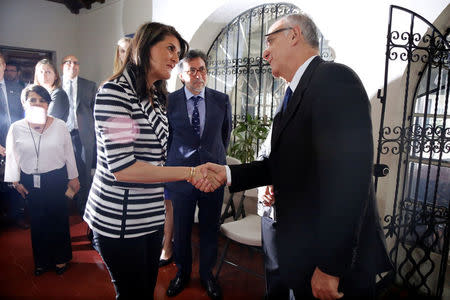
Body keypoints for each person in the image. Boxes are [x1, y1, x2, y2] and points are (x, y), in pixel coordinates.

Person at [198, 13, 393, 300]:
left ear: (294, 35)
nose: (264, 52)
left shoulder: (335, 79)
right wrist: (228, 174)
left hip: (330, 260)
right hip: (301, 250)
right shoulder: (291, 93)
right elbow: (281, 164)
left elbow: (350, 182)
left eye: (270, 41)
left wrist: (331, 266)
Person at [82, 22, 218, 300]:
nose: (175, 57)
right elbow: (123, 168)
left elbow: (157, 154)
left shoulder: (155, 94)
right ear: (144, 48)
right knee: (132, 294)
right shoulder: (115, 93)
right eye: (170, 48)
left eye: (177, 52)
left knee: (145, 292)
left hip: (151, 216)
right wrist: (191, 172)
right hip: (120, 221)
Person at [165, 49, 232, 300]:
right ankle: (182, 273)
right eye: (191, 70)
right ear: (182, 75)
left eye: (201, 69)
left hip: (212, 177)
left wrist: (212, 164)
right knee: (181, 229)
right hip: (181, 177)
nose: (198, 74)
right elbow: (168, 139)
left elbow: (223, 138)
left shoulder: (221, 100)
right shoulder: (169, 101)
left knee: (209, 228)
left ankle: (207, 274)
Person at [4, 84, 80, 276]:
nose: (38, 103)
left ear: (48, 104)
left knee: (58, 219)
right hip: (30, 180)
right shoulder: (16, 128)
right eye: (33, 100)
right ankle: (42, 260)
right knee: (38, 221)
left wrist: (74, 177)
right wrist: (15, 181)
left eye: (42, 100)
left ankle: (61, 258)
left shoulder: (60, 126)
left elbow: (69, 153)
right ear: (24, 103)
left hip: (56, 178)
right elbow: (12, 156)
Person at [61, 54, 97, 216]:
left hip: (83, 135)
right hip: (61, 134)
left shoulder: (89, 85)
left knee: (84, 171)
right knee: (63, 169)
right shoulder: (56, 85)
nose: (72, 65)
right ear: (62, 66)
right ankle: (64, 204)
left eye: (76, 62)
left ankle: (83, 205)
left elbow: (95, 111)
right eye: (68, 62)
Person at [0, 52, 27, 229]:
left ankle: (16, 216)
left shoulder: (17, 88)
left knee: (16, 178)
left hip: (17, 142)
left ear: (3, 66)